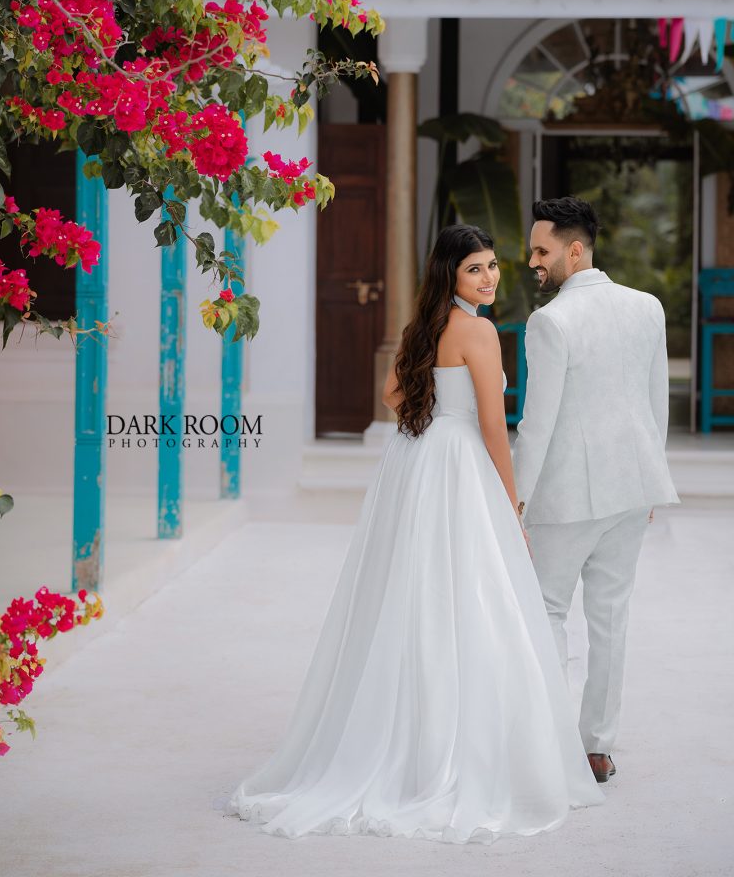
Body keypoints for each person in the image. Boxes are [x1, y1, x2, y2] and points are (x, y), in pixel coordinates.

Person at [226, 224, 602, 841]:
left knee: (411, 592)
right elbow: (493, 426)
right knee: (472, 598)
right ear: (451, 275)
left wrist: (431, 426)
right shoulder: (480, 331)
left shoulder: (424, 325)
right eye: (475, 269)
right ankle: (453, 751)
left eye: (492, 266)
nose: (489, 277)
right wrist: (513, 505)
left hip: (417, 460)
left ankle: (401, 739)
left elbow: (391, 393)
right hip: (461, 464)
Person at [513, 196, 679, 784]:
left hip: (566, 494)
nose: (533, 261)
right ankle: (597, 749)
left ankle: (554, 744)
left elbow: (537, 424)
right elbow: (656, 401)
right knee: (610, 617)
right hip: (632, 487)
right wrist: (652, 478)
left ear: (575, 250)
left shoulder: (550, 321)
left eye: (542, 250)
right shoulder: (647, 307)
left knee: (548, 611)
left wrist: (515, 499)